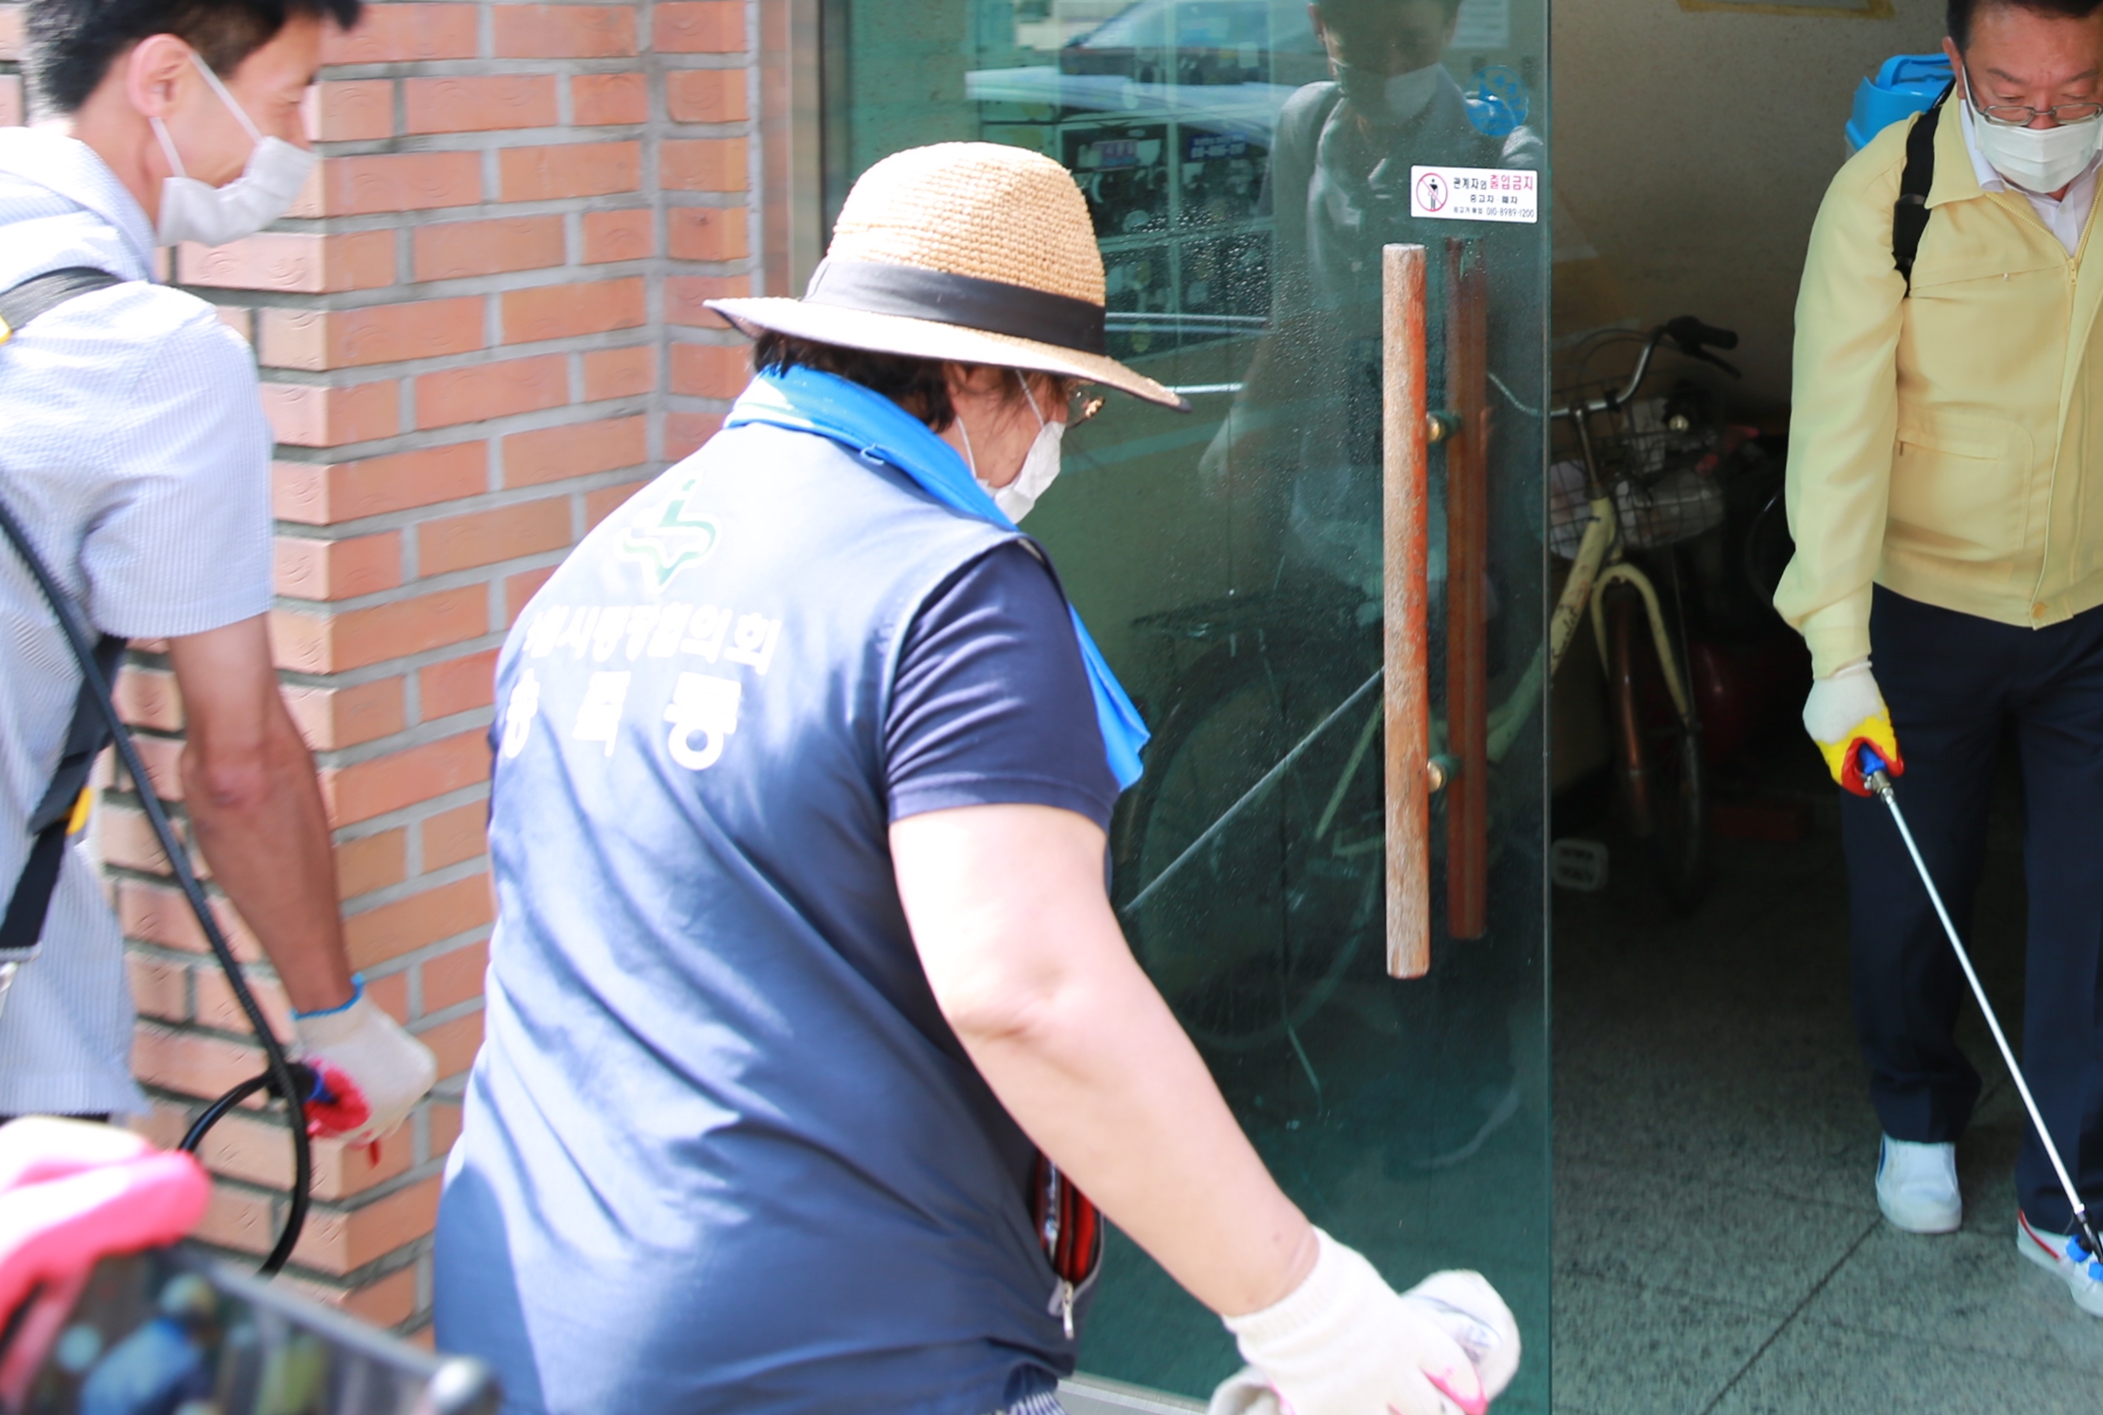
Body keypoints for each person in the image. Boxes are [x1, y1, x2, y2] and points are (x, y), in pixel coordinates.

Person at [435, 141, 1515, 1415]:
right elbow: (1031, 990)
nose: (1055, 435)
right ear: (966, 370)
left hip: (522, 1303)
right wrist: (1310, 1310)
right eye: (1059, 396)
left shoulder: (608, 564)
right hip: (826, 1345)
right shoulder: (948, 592)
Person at [1776, 0, 2103, 1323]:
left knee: (2088, 911)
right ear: (1955, 62)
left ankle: (2071, 1206)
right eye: (2011, 92)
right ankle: (1915, 1112)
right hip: (1920, 613)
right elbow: (1832, 443)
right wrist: (1834, 651)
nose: (2048, 120)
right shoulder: (1880, 200)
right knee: (1902, 891)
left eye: (2078, 88)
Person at [0, 0, 436, 1140]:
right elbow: (238, 767)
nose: (301, 135)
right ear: (163, 79)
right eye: (291, 94)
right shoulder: (146, 350)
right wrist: (336, 1021)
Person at [1202, 0, 1539, 586]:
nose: (1387, 66)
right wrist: (1250, 420)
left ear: (1450, 26)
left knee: (1448, 670)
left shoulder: (1497, 153)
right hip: (1334, 472)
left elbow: (1512, 338)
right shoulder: (1306, 124)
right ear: (1320, 24)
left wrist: (1487, 529)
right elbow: (1295, 294)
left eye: (1410, 41)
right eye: (1359, 41)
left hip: (1456, 475)